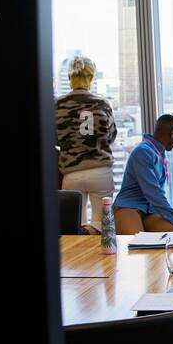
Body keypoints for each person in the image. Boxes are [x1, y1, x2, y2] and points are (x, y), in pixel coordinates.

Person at [56, 54, 118, 232]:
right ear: (91, 78)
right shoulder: (102, 104)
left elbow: (53, 138)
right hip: (100, 171)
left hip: (71, 174)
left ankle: (78, 257)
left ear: (69, 78)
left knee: (73, 226)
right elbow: (111, 136)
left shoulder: (57, 105)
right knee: (102, 226)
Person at [112, 113, 173, 234]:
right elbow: (153, 192)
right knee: (136, 243)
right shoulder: (143, 152)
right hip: (129, 206)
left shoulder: (158, 152)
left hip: (149, 210)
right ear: (172, 134)